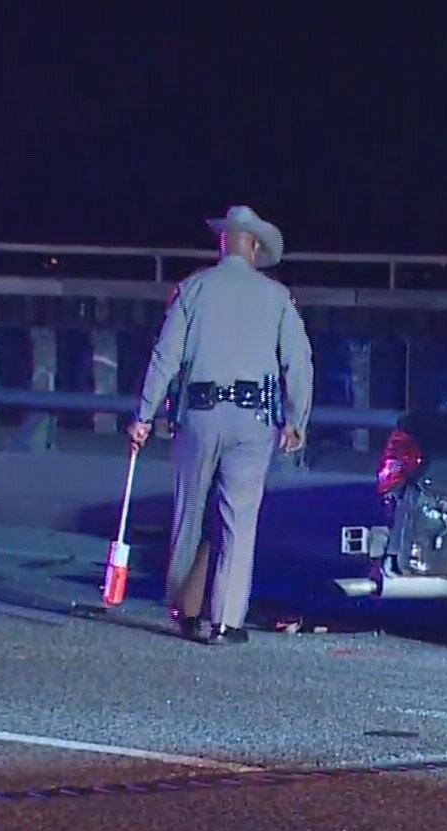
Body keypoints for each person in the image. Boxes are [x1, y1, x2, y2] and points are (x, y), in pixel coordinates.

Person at [127, 205, 314, 644]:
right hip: (253, 420)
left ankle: (184, 610)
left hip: (199, 414)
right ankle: (226, 620)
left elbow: (164, 357)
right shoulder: (276, 298)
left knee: (189, 510)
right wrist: (296, 420)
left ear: (227, 243)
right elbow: (299, 363)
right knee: (238, 520)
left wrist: (144, 415)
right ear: (254, 245)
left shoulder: (193, 289)